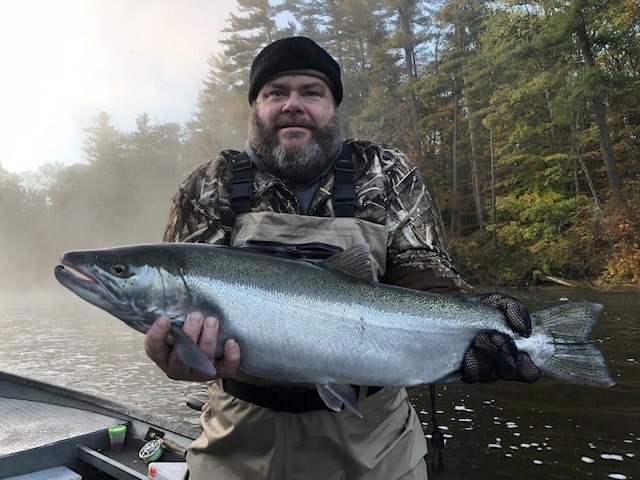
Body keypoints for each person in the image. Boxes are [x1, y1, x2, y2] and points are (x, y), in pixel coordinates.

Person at [144, 36, 539, 480]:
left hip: (375, 446)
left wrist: (475, 318)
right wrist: (179, 358)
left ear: (334, 106)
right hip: (238, 443)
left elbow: (426, 277)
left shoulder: (386, 173)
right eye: (276, 93)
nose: (293, 105)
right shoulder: (209, 184)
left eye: (311, 92)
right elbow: (185, 314)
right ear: (255, 107)